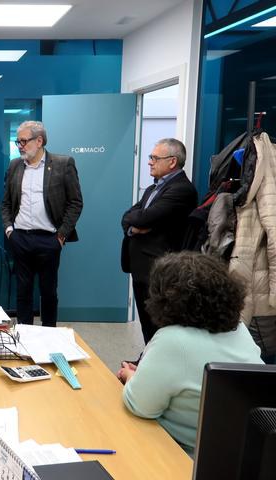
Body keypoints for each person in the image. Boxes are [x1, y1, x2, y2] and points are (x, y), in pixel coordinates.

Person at [118, 251, 263, 453]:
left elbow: (140, 405)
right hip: (238, 453)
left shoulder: (172, 340)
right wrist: (147, 374)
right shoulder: (240, 330)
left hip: (186, 456)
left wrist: (130, 376)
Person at [1, 120, 83, 326]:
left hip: (49, 240)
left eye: (24, 141)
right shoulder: (14, 165)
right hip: (20, 238)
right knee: (23, 292)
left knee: (48, 292)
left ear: (39, 141)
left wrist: (61, 236)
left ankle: (49, 334)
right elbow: (6, 202)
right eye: (18, 141)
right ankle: (25, 334)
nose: (20, 146)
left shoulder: (63, 164)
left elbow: (75, 202)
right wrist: (10, 230)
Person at [121, 138, 198, 345]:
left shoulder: (182, 189)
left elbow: (143, 218)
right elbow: (127, 217)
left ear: (172, 162)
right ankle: (147, 357)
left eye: (155, 158)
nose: (149, 162)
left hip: (160, 269)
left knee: (160, 325)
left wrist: (140, 222)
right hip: (141, 268)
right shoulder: (152, 189)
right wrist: (135, 226)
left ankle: (156, 359)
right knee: (147, 323)